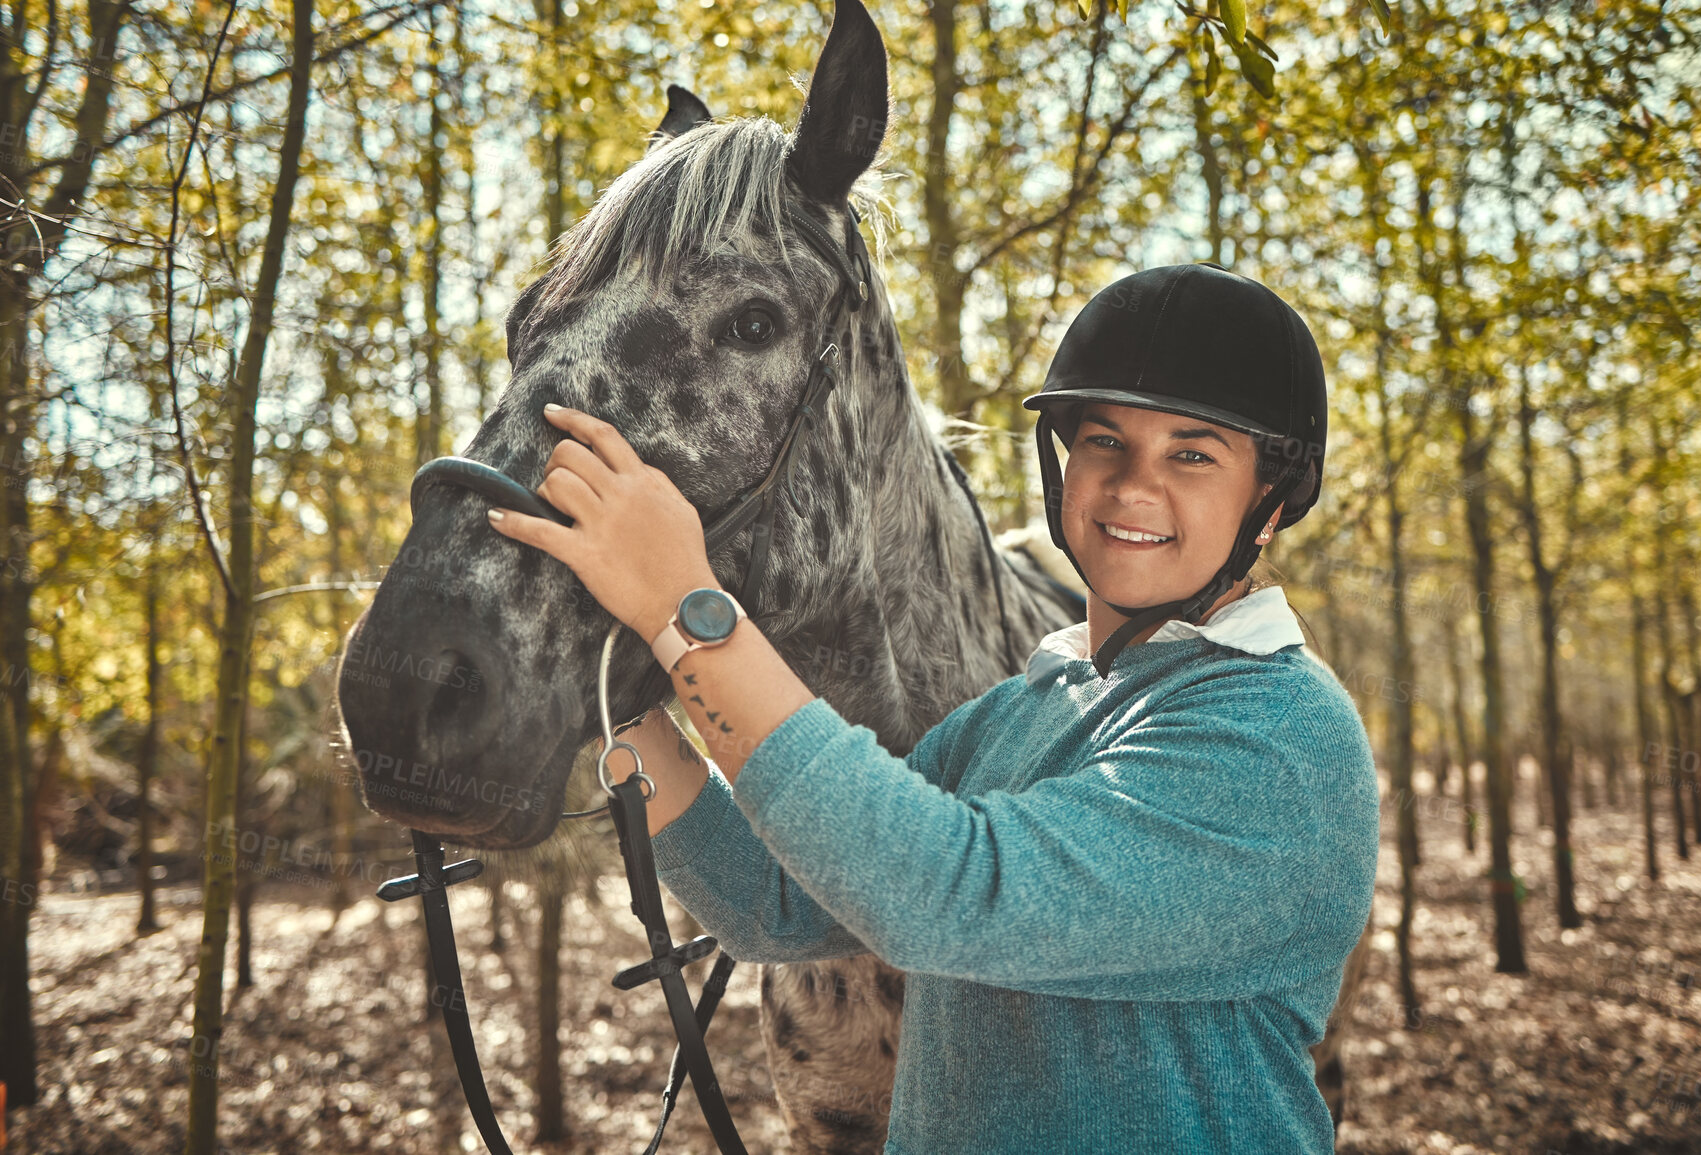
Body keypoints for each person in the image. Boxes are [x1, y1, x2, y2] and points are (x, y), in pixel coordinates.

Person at [486, 262, 1380, 1153]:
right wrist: (620, 698)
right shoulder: (1024, 709)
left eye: (1191, 453)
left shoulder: (1280, 733)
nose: (1131, 486)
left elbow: (949, 895)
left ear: (1269, 499)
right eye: (1104, 441)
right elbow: (774, 906)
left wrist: (683, 608)